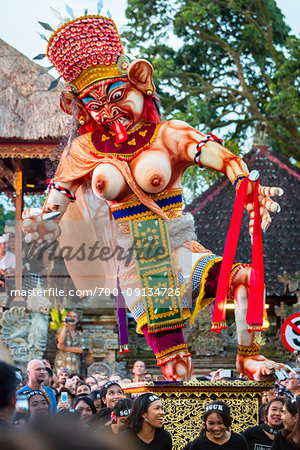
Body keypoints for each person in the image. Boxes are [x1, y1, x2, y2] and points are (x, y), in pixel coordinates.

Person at [23, 12, 286, 382]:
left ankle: (248, 358)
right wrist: (39, 222)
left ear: (140, 83)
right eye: (95, 106)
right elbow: (58, 199)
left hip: (179, 245)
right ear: (80, 109)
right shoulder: (84, 150)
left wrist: (246, 185)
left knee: (245, 278)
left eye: (117, 97)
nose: (111, 115)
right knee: (176, 370)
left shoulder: (168, 134)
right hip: (138, 262)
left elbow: (224, 159)